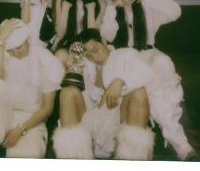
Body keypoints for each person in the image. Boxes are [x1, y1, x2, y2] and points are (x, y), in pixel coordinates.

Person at [100, 0, 195, 161]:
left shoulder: (146, 4)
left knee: (164, 64)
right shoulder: (112, 7)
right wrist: (113, 8)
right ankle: (179, 145)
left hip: (150, 54)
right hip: (128, 60)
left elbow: (176, 11)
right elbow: (107, 35)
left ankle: (181, 145)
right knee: (154, 88)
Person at [0, 19, 64, 158]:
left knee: (26, 154)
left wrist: (20, 130)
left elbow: (47, 108)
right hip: (0, 113)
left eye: (19, 47)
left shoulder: (46, 59)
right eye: (10, 50)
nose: (15, 53)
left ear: (28, 39)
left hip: (30, 120)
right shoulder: (0, 52)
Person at [52, 28, 156, 161]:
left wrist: (119, 81)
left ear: (103, 41)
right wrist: (74, 63)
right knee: (67, 92)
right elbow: (61, 67)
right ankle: (73, 159)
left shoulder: (125, 54)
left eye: (95, 50)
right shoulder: (84, 63)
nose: (94, 57)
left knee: (139, 92)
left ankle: (133, 159)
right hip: (90, 119)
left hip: (117, 118)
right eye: (89, 55)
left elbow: (148, 73)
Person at [55, 0, 106, 66]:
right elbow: (60, 34)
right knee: (60, 55)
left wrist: (90, 8)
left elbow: (93, 38)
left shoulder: (100, 2)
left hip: (89, 48)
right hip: (68, 45)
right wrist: (66, 7)